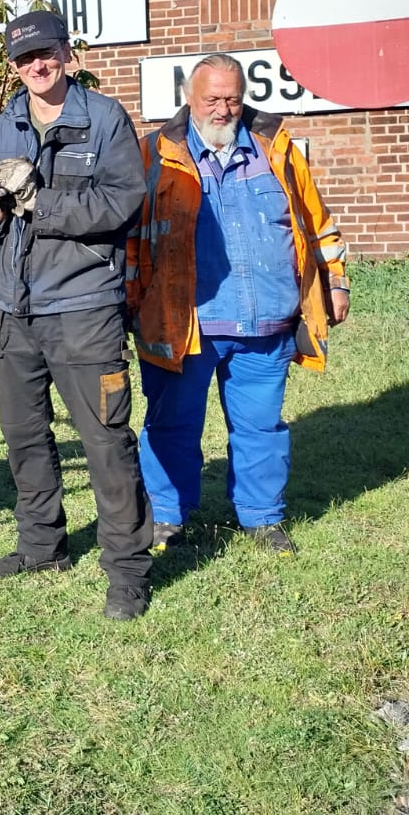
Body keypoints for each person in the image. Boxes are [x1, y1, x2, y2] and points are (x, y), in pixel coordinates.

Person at [0, 9, 154, 620]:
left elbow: (122, 202)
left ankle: (127, 571)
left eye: (46, 53)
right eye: (24, 58)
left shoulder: (104, 119)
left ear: (67, 53)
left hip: (83, 309)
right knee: (24, 436)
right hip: (10, 310)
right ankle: (41, 547)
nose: (37, 66)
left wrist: (38, 201)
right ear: (14, 67)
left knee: (105, 441)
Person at [127, 54, 350, 557]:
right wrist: (126, 302)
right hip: (182, 325)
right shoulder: (154, 155)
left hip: (266, 321)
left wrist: (335, 283)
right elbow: (131, 238)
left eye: (232, 98)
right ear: (189, 97)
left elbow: (315, 221)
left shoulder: (277, 150)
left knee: (261, 427)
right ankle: (166, 516)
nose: (223, 109)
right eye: (212, 99)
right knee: (171, 425)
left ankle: (262, 518)